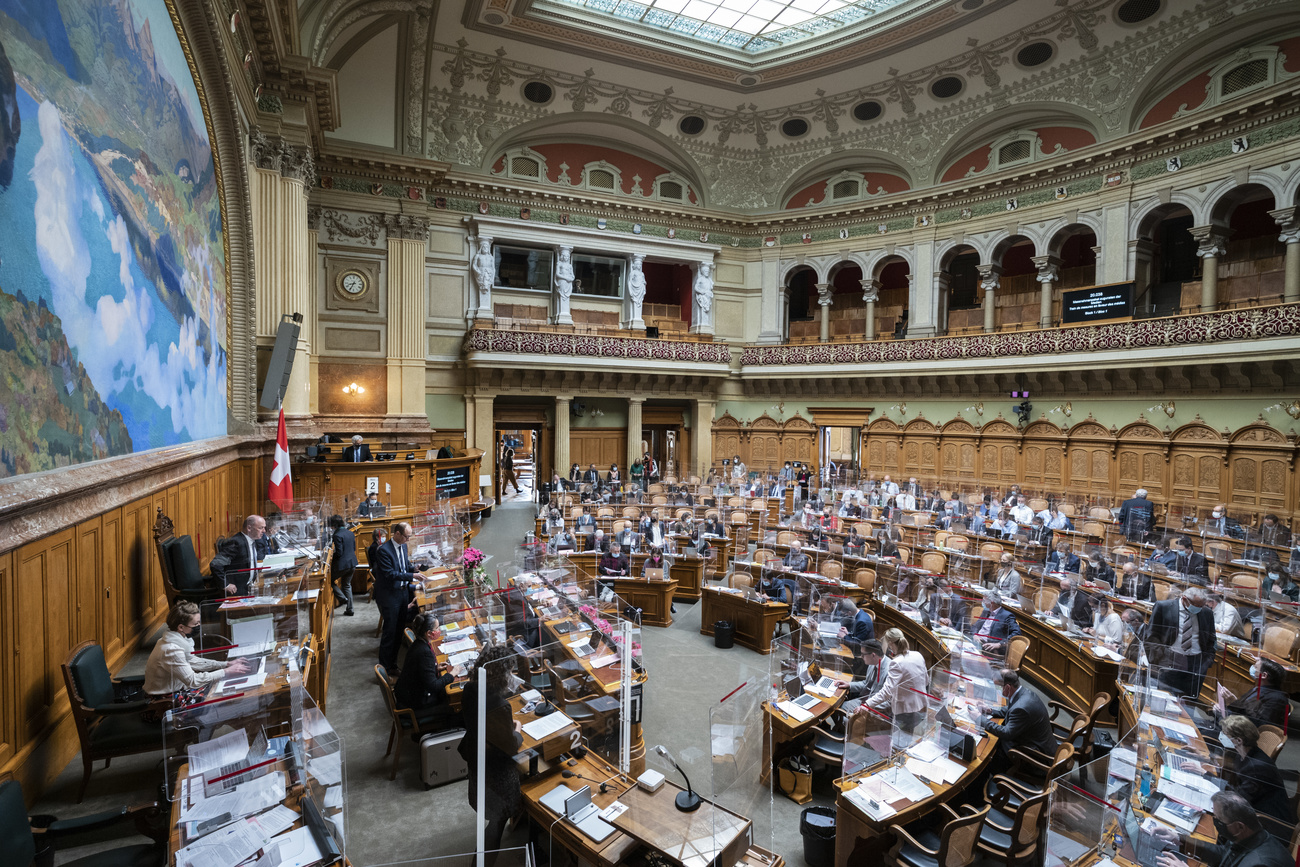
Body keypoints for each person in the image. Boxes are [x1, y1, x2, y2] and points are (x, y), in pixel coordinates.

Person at [458, 645, 524, 863]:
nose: (511, 677)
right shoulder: (499, 706)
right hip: (498, 776)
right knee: (497, 821)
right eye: (509, 672)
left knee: (495, 819)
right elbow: (511, 747)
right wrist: (517, 731)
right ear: (501, 675)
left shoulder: (470, 689)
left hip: (479, 763)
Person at [1155, 790, 1292, 867]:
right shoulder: (1249, 836)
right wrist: (1179, 838)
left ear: (1239, 826)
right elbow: (1222, 853)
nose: (1215, 823)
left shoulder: (1259, 864)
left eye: (1218, 819)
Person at [144, 601, 252, 694]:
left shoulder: (174, 639)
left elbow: (193, 661)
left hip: (179, 688)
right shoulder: (171, 650)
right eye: (196, 624)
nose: (199, 626)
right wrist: (226, 671)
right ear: (181, 627)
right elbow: (193, 681)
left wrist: (226, 664)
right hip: (166, 698)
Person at [1217, 716, 1291, 824]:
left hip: (1268, 821)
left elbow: (1240, 800)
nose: (1222, 736)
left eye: (1225, 734)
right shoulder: (1244, 753)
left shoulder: (1256, 768)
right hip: (1252, 807)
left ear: (1238, 740)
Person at [1148, 586, 1216, 697]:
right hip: (1170, 660)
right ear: (1184, 599)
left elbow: (1211, 638)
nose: (1199, 608)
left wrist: (1207, 662)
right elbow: (1152, 634)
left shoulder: (1206, 612)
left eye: (1201, 606)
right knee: (1166, 697)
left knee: (1189, 701)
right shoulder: (1163, 607)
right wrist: (1160, 657)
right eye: (1196, 605)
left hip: (1196, 663)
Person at [393, 613, 458, 730]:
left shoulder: (418, 644)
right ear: (429, 633)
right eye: (437, 628)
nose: (439, 630)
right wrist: (452, 674)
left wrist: (434, 668)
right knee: (454, 706)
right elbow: (433, 686)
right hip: (414, 706)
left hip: (407, 696)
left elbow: (418, 670)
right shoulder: (424, 652)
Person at [372, 522, 422, 673]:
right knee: (390, 632)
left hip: (402, 594)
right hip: (389, 596)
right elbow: (391, 574)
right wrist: (412, 575)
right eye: (406, 536)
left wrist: (413, 568)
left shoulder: (404, 546)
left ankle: (393, 663)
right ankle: (385, 666)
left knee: (399, 630)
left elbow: (403, 566)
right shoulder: (383, 551)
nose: (408, 540)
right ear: (398, 534)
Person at [976, 669, 1057, 760]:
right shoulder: (1023, 692)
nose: (996, 689)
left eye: (997, 686)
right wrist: (990, 710)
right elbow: (1011, 709)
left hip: (1036, 756)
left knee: (986, 753)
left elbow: (1006, 733)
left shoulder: (1021, 708)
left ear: (1007, 687)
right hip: (1036, 742)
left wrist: (979, 718)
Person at [861, 629, 929, 733]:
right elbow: (926, 681)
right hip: (921, 707)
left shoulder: (896, 663)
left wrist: (867, 704)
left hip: (904, 711)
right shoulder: (917, 655)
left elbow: (886, 692)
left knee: (897, 739)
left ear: (890, 644)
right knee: (907, 736)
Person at [1217, 659, 1289, 730]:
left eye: (1256, 667)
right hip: (1229, 723)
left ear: (1264, 675)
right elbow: (1243, 710)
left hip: (1236, 734)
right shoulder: (1258, 688)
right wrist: (1222, 710)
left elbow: (1259, 726)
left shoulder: (1277, 700)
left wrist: (1234, 703)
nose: (1252, 668)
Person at [211, 514, 267, 595]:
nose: (264, 531)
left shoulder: (254, 541)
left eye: (264, 527)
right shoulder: (236, 542)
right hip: (237, 591)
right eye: (260, 528)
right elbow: (215, 564)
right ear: (249, 528)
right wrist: (225, 585)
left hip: (250, 587)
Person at [840, 639, 890, 717]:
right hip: (865, 701)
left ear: (873, 655)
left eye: (863, 654)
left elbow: (888, 702)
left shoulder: (889, 671)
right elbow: (866, 684)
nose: (861, 657)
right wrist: (849, 685)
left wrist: (868, 706)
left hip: (876, 709)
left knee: (842, 711)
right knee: (839, 707)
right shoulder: (873, 663)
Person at [971, 591, 1020, 656]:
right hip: (976, 643)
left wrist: (1000, 644)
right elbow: (975, 626)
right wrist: (975, 635)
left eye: (984, 601)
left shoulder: (1007, 616)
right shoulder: (986, 611)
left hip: (990, 650)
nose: (983, 603)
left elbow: (1017, 633)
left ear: (992, 603)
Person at [329, 515, 356, 615]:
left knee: (330, 580)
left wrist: (332, 556)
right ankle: (350, 609)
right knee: (347, 585)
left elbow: (339, 553)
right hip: (352, 563)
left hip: (343, 565)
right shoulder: (350, 532)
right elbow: (353, 548)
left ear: (334, 525)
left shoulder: (336, 535)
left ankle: (342, 598)